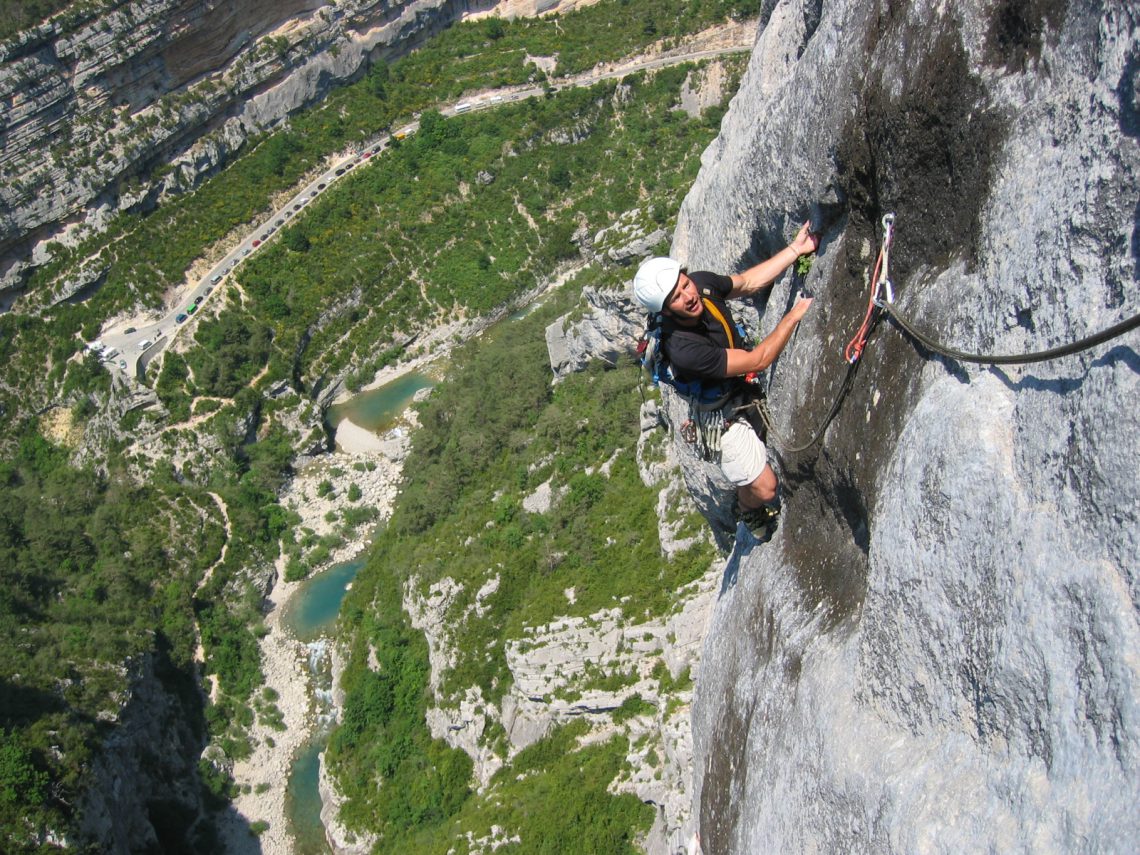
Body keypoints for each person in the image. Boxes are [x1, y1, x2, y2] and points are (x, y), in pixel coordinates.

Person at [633, 222, 818, 529]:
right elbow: (757, 360)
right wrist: (794, 316)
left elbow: (746, 282)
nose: (688, 295)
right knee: (766, 488)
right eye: (676, 298)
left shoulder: (702, 284)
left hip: (738, 384)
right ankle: (748, 509)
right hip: (720, 416)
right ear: (665, 312)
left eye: (684, 285)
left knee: (756, 464)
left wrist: (795, 250)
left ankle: (746, 489)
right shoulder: (682, 349)